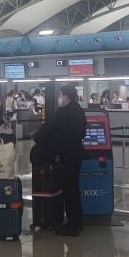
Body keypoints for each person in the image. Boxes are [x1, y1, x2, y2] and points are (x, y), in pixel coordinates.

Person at [43, 84, 87, 236]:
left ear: (66, 96)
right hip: (78, 152)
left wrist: (39, 137)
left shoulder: (62, 112)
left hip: (67, 153)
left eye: (60, 95)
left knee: (67, 188)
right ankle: (79, 221)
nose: (59, 97)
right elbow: (83, 133)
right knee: (74, 186)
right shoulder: (80, 111)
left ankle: (72, 225)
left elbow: (50, 128)